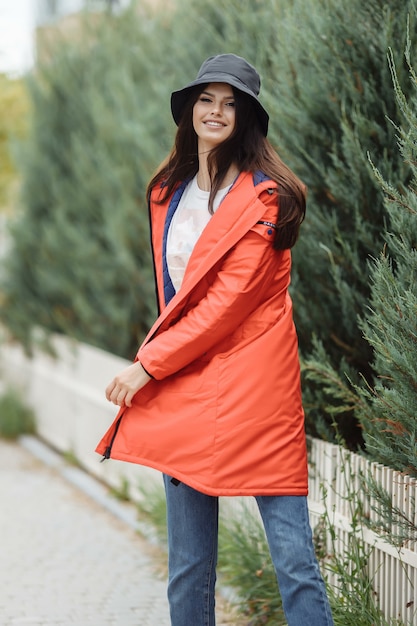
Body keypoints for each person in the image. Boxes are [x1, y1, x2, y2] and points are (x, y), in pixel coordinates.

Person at [96, 53, 334, 626]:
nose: (217, 111)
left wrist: (145, 367)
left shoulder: (265, 199)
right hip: (184, 380)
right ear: (190, 110)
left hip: (254, 387)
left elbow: (225, 307)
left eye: (231, 103)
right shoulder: (169, 193)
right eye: (207, 99)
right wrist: (163, 367)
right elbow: (176, 298)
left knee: (293, 561)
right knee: (188, 566)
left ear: (247, 117)